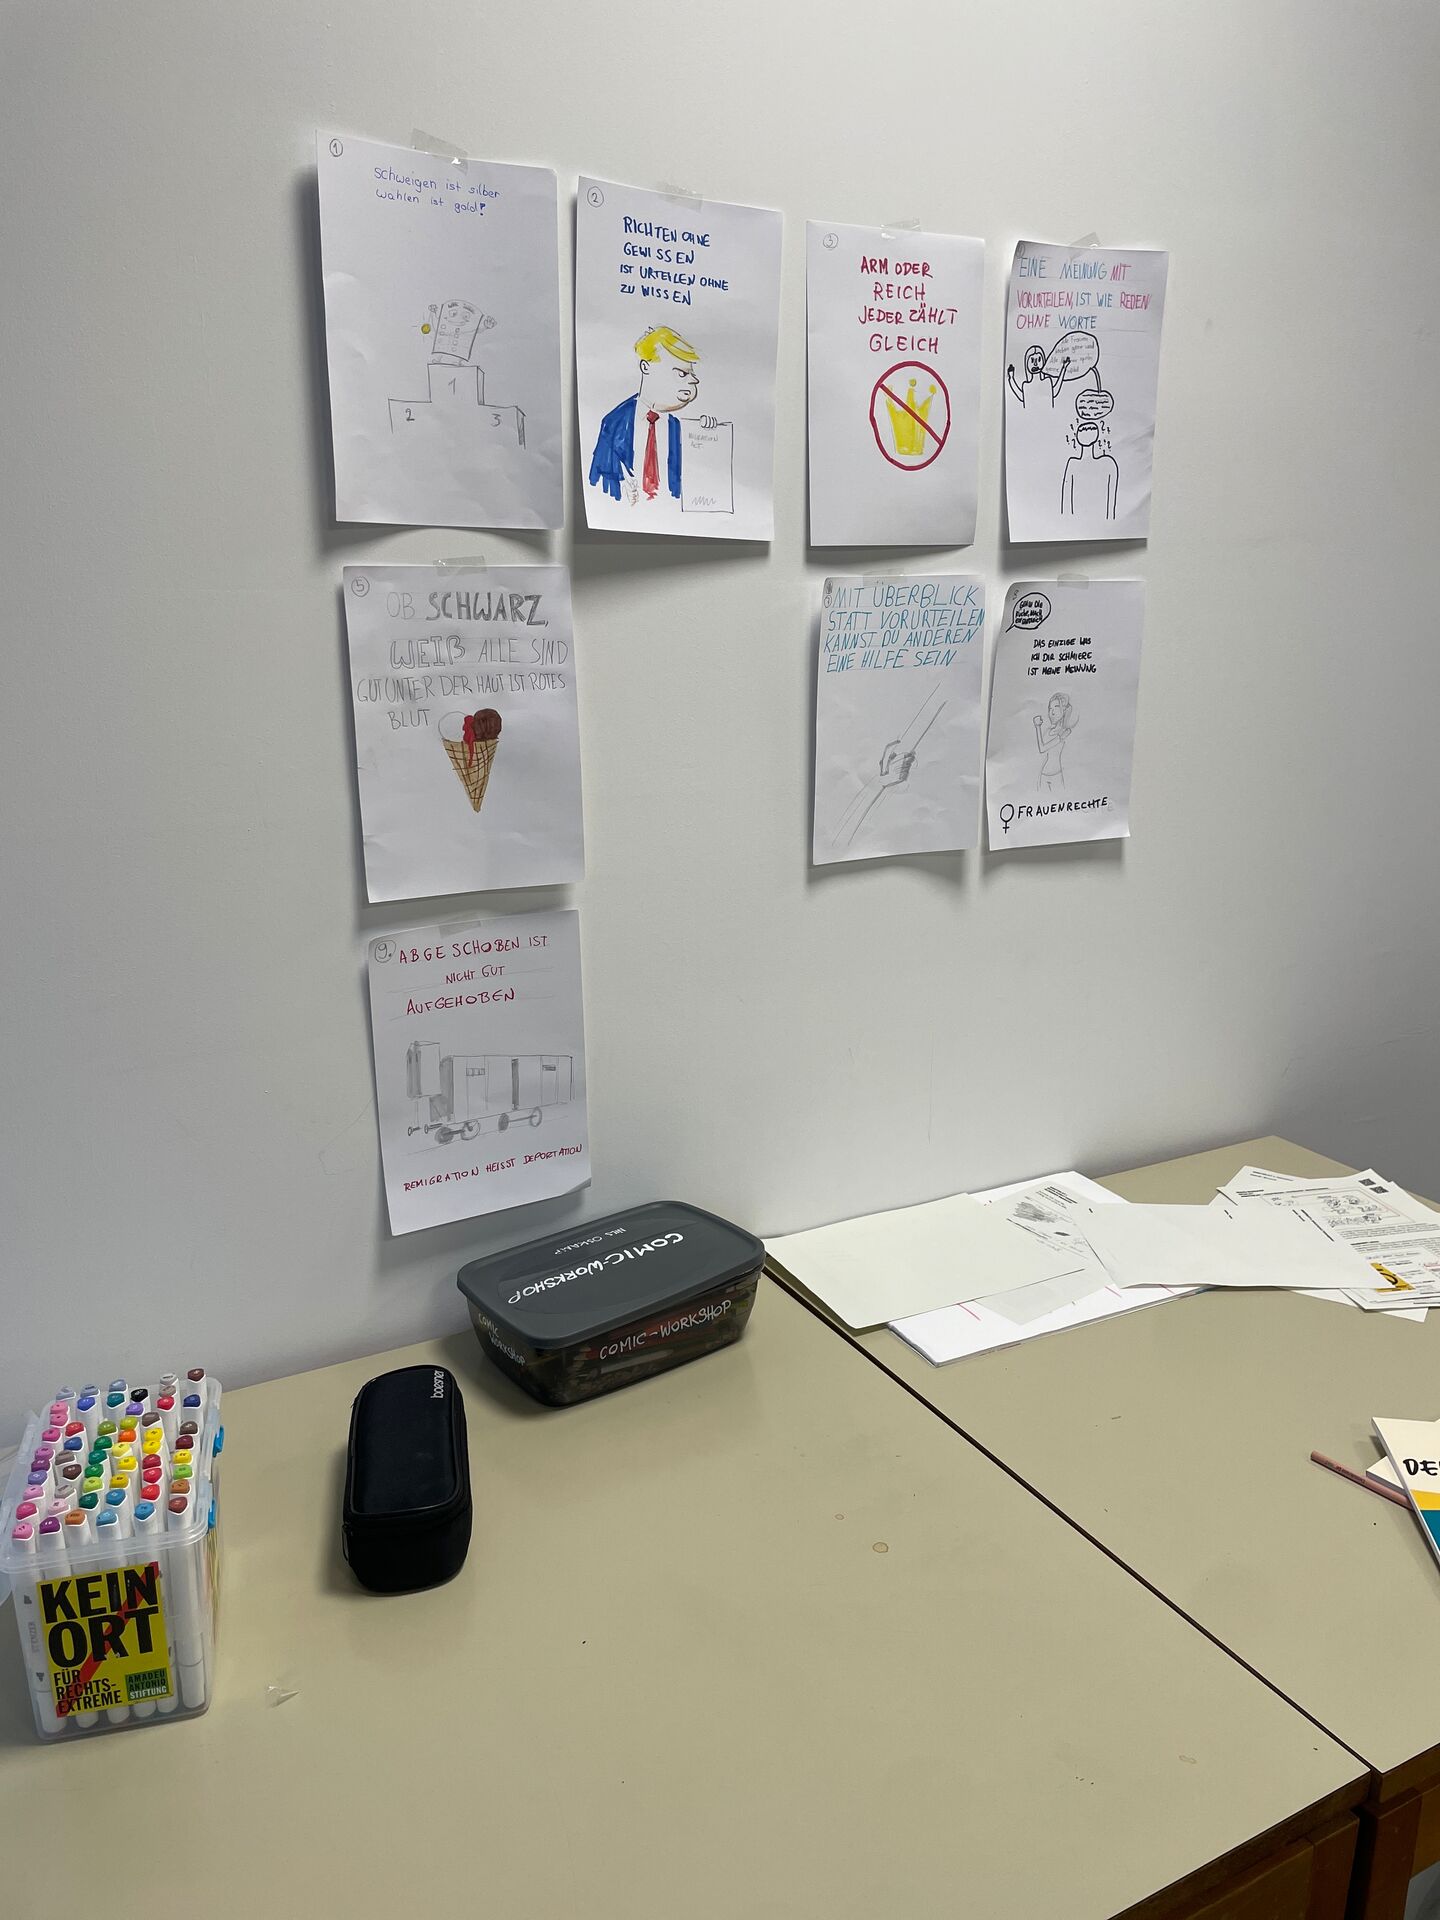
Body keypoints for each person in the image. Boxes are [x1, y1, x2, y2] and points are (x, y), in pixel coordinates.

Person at [587, 326, 716, 505]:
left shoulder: (682, 427)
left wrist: (709, 435)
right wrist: (620, 489)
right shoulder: (613, 423)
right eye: (682, 373)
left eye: (692, 375)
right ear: (646, 367)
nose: (694, 380)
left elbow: (705, 477)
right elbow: (597, 479)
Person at [1060, 420, 1119, 520]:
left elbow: (1066, 499)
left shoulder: (1108, 464)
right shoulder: (1109, 464)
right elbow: (1066, 499)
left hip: (1094, 521)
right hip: (1082, 521)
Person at [1034, 693, 1077, 792]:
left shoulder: (1065, 731)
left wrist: (1037, 726)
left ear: (1064, 710)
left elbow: (1042, 748)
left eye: (1056, 707)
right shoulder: (1048, 731)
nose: (1052, 712)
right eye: (1050, 709)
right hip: (1044, 775)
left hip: (1057, 775)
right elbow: (1042, 751)